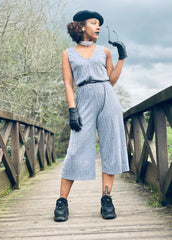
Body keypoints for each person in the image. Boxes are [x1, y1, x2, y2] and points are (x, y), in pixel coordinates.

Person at [54, 10, 129, 222]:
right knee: (75, 148)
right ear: (81, 26)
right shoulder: (68, 53)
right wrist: (72, 109)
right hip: (84, 97)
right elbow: (68, 83)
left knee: (111, 147)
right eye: (94, 23)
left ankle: (106, 198)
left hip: (107, 96)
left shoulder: (104, 51)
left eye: (99, 24)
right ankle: (62, 201)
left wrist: (121, 58)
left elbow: (111, 79)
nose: (98, 27)